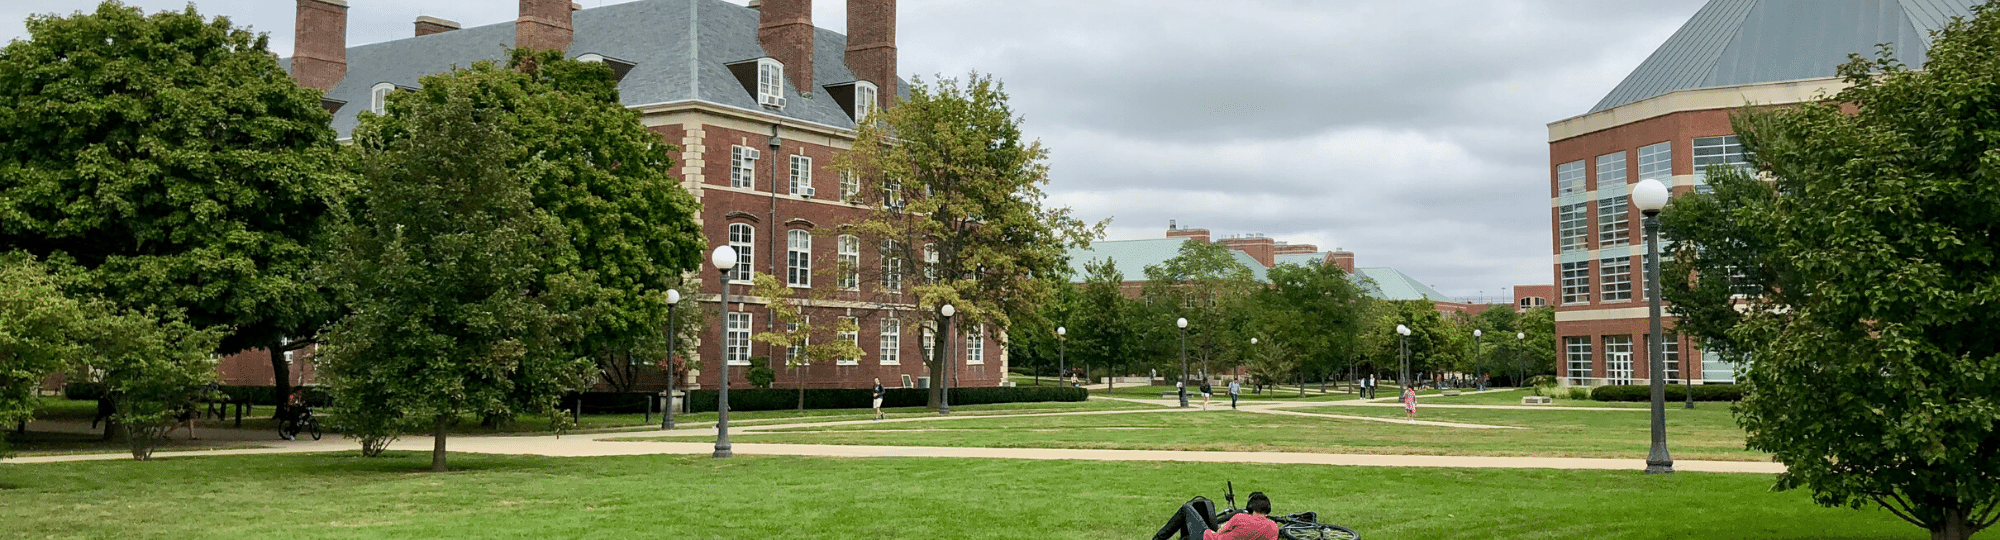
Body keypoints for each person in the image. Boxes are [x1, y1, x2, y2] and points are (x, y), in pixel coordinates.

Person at [1151, 491, 1280, 540]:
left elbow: (1219, 530)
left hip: (1207, 538)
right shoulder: (1274, 528)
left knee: (1186, 509)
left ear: (1250, 507)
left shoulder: (1240, 517)